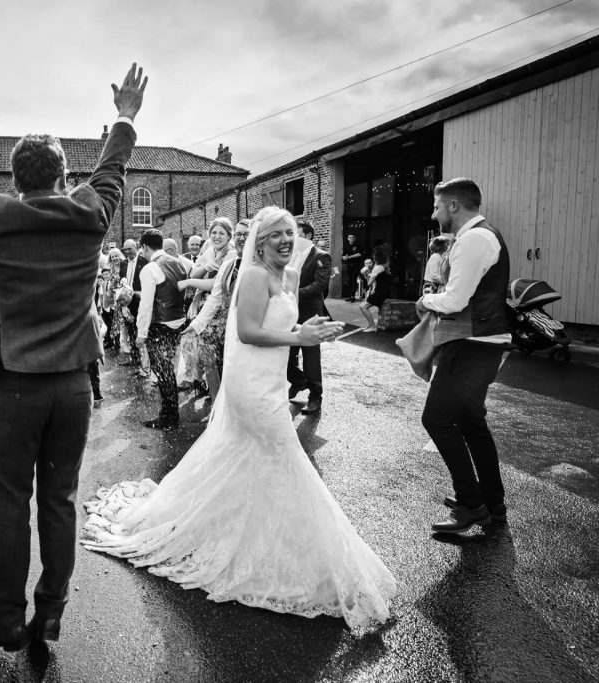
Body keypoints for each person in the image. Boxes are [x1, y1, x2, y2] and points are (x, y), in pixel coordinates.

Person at [0, 63, 147, 651]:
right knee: (60, 502)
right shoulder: (90, 212)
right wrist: (124, 116)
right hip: (73, 387)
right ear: (65, 175)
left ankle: (7, 620)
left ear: (16, 181)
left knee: (9, 508)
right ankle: (51, 614)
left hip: (15, 387)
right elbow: (113, 168)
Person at [81, 207, 395, 631]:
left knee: (250, 460)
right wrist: (298, 336)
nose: (286, 239)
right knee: (283, 457)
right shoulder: (252, 275)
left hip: (270, 380)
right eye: (276, 234)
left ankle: (261, 540)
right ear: (259, 242)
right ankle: (298, 555)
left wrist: (311, 327)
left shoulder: (286, 277)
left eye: (290, 233)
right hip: (252, 386)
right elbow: (247, 331)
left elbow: (280, 322)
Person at [417, 178, 510, 534]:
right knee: (471, 423)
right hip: (482, 342)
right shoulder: (481, 237)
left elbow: (455, 300)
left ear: (454, 205)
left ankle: (471, 504)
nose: (434, 212)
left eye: (438, 206)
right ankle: (494, 507)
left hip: (474, 344)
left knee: (436, 419)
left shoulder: (473, 239)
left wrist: (425, 301)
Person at [181, 219, 249, 403]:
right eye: (214, 233)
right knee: (207, 354)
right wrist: (204, 267)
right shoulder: (210, 252)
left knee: (224, 359)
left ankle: (226, 398)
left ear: (228, 237)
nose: (217, 236)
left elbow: (216, 286)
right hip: (210, 310)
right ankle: (215, 398)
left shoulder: (233, 256)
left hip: (230, 315)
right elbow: (197, 275)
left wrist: (189, 283)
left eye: (222, 233)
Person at [135, 229, 188, 429]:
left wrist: (141, 334)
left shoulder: (150, 268)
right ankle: (170, 413)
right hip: (177, 321)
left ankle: (169, 417)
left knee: (163, 371)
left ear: (145, 247)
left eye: (142, 249)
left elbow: (146, 305)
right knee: (169, 369)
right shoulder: (177, 262)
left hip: (160, 325)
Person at [287, 222, 332, 415]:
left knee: (311, 357)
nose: (292, 238)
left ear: (308, 235)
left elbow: (321, 284)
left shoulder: (321, 256)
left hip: (310, 315)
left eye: (296, 233)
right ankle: (298, 381)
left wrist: (293, 293)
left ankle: (315, 396)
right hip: (289, 314)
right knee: (287, 356)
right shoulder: (289, 256)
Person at [118, 238, 145, 369]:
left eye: (130, 248)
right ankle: (135, 359)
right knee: (131, 330)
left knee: (140, 329)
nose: (127, 251)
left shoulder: (144, 262)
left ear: (136, 247)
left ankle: (145, 363)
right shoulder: (123, 263)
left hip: (139, 300)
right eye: (125, 249)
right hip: (125, 302)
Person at [359, 247, 392, 331]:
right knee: (364, 305)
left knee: (363, 307)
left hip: (380, 292)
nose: (373, 259)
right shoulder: (384, 266)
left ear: (377, 258)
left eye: (374, 257)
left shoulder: (377, 268)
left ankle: (372, 326)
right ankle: (371, 326)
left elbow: (369, 283)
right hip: (384, 291)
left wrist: (366, 275)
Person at [341, 233, 363, 301]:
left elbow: (359, 254)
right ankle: (350, 295)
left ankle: (353, 296)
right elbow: (343, 255)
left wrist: (350, 257)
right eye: (350, 237)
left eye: (353, 237)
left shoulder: (358, 245)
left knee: (354, 280)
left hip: (355, 265)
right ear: (348, 238)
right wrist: (344, 257)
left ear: (355, 238)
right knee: (349, 280)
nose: (351, 238)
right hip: (348, 265)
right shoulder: (346, 246)